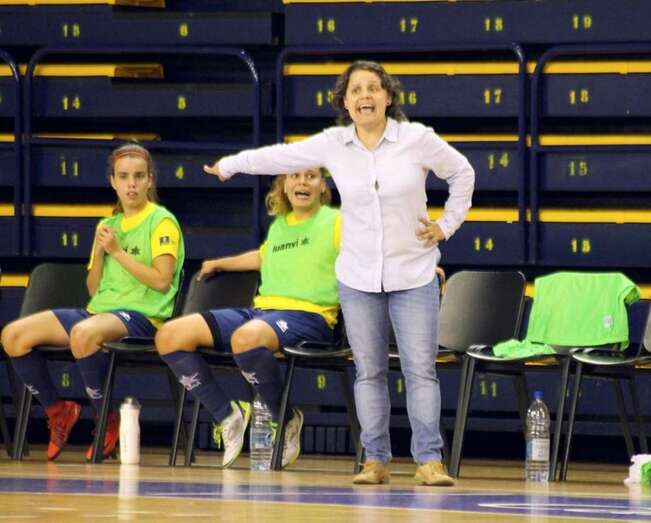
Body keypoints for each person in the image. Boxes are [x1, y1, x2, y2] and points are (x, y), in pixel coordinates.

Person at [204, 60, 474, 486]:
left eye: (373, 88)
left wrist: (447, 224)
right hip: (358, 279)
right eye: (355, 90)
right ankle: (375, 460)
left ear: (388, 96)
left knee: (420, 371)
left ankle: (429, 460)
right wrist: (231, 164)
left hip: (414, 274)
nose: (365, 96)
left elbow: (462, 172)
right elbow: (280, 155)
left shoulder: (417, 139)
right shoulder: (334, 144)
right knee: (369, 372)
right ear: (345, 103)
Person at [1, 143, 184, 461]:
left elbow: (162, 280)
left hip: (143, 317)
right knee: (13, 336)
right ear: (113, 181)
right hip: (99, 311)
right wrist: (99, 253)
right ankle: (59, 411)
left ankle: (107, 419)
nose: (131, 184)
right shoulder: (107, 225)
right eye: (123, 177)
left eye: (138, 176)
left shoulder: (162, 221)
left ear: (150, 180)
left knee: (83, 334)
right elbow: (93, 288)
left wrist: (117, 252)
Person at [156, 168, 340, 469]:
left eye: (311, 176)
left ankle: (285, 418)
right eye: (294, 176)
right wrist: (220, 263)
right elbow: (262, 257)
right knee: (169, 336)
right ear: (284, 185)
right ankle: (228, 416)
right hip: (263, 312)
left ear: (323, 186)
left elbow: (370, 253)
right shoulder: (280, 226)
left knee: (245, 338)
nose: (302, 182)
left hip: (310, 317)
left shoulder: (337, 222)